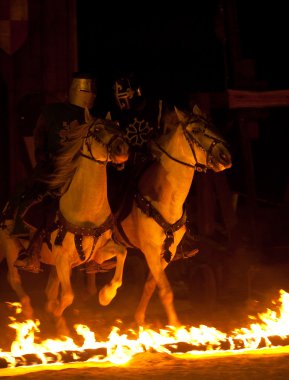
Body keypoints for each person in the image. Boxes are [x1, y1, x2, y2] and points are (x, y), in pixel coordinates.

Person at [0, 72, 97, 273]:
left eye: (92, 90)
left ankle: (99, 251)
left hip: (80, 173)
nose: (90, 95)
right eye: (86, 89)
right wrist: (44, 158)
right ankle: (30, 249)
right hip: (53, 170)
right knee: (35, 198)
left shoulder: (90, 118)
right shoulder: (52, 112)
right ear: (76, 89)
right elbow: (40, 135)